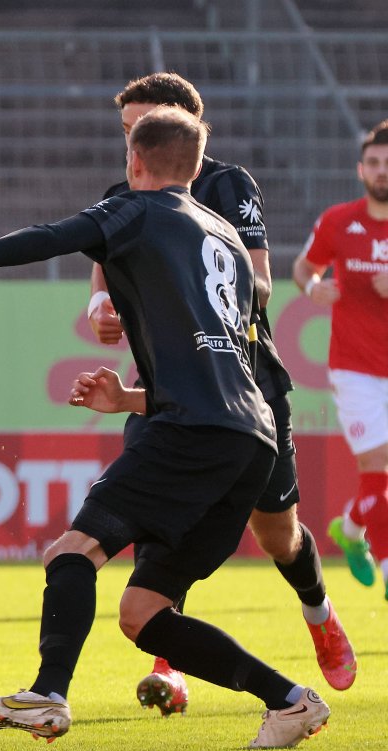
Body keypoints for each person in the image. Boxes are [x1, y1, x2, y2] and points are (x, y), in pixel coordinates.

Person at [0, 106, 329, 749]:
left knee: (72, 553)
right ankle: (292, 702)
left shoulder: (135, 209)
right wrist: (129, 398)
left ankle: (46, 696)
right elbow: (217, 359)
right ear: (196, 163)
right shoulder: (227, 241)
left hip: (194, 436)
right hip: (249, 439)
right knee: (144, 611)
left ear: (135, 162)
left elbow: (51, 235)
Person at [84, 73, 355, 716]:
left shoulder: (226, 185)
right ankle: (168, 663)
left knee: (277, 535)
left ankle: (318, 611)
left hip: (244, 383)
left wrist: (197, 304)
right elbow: (100, 271)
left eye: (145, 131)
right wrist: (101, 303)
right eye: (127, 135)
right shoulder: (121, 196)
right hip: (167, 390)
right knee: (156, 524)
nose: (134, 148)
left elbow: (260, 282)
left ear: (187, 130)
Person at [293, 119, 388, 599]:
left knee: (383, 480)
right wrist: (314, 287)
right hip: (355, 369)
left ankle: (351, 531)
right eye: (374, 163)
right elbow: (302, 267)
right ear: (360, 169)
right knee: (378, 467)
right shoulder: (339, 221)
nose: (382, 171)